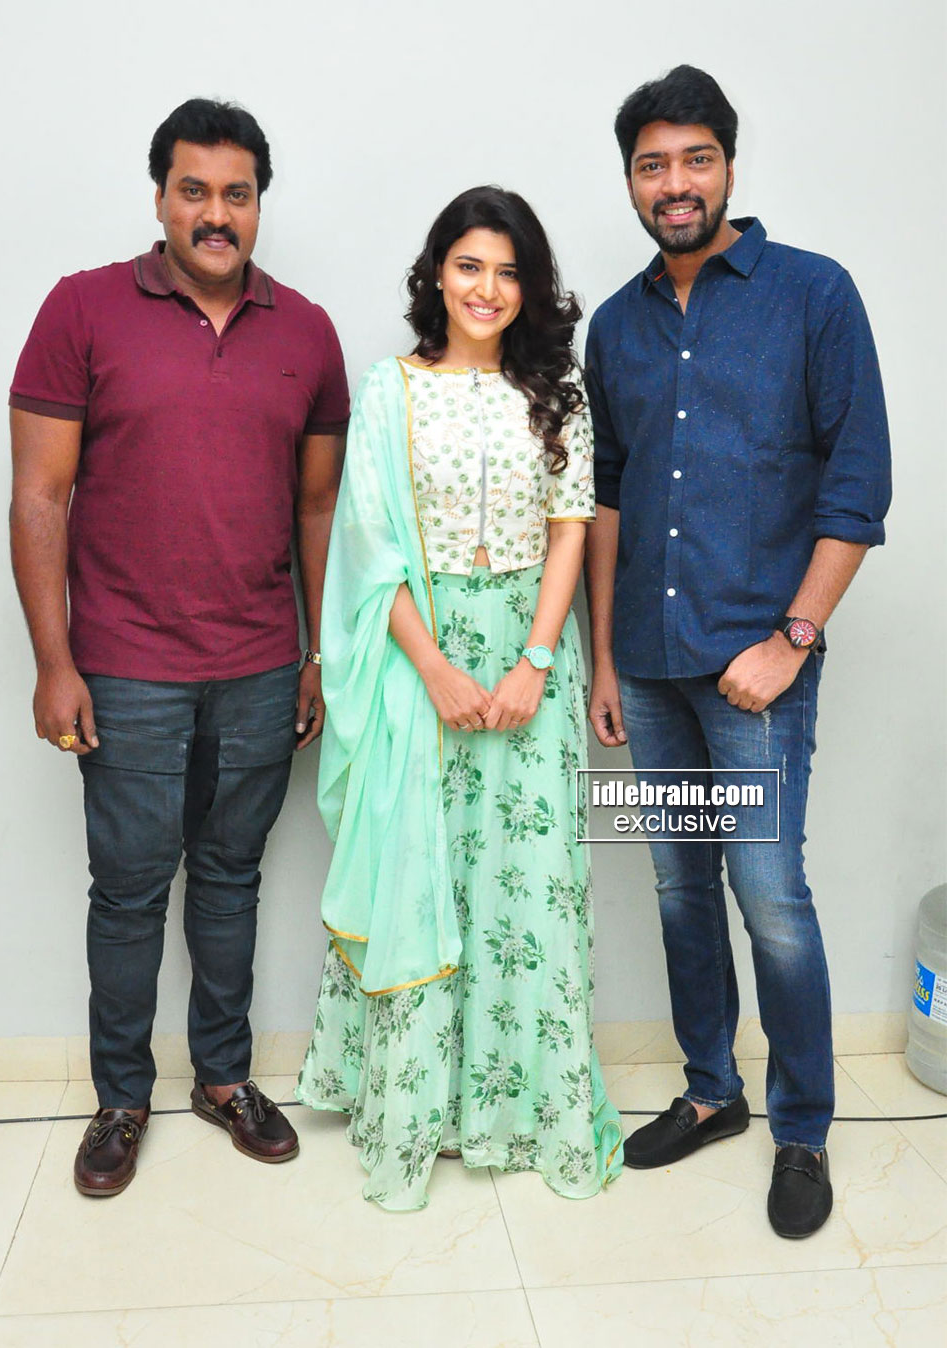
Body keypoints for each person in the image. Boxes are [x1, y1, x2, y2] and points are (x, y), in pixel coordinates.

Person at [9, 98, 349, 1196]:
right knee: (128, 890)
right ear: (159, 196)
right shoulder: (82, 308)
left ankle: (222, 1078)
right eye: (193, 190)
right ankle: (120, 1097)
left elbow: (317, 508)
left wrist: (315, 652)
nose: (216, 214)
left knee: (231, 879)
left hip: (260, 663)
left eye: (236, 194)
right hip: (124, 667)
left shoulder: (307, 333)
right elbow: (39, 495)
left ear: (259, 204)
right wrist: (55, 661)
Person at [584, 66, 891, 1237]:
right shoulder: (616, 326)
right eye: (652, 164)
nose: (675, 183)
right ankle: (711, 1091)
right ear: (631, 180)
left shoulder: (813, 295)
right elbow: (607, 497)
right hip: (648, 665)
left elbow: (857, 485)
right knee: (677, 888)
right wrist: (605, 658)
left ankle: (800, 1127)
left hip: (755, 670)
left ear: (727, 166)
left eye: (694, 159)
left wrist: (792, 638)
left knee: (769, 898)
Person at [296, 186, 623, 1210]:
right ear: (436, 273)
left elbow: (570, 526)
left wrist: (535, 661)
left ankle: (520, 1109)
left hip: (532, 660)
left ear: (531, 287)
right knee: (423, 875)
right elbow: (368, 549)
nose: (488, 288)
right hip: (419, 663)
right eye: (470, 265)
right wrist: (434, 669)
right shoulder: (390, 390)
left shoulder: (557, 390)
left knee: (526, 884)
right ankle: (419, 1109)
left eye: (509, 271)